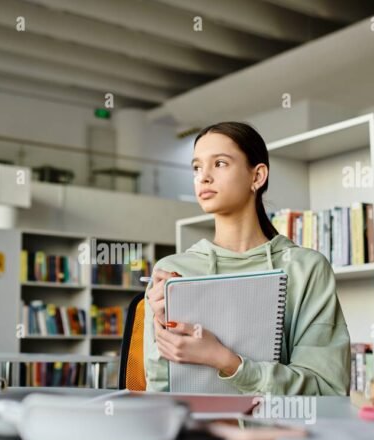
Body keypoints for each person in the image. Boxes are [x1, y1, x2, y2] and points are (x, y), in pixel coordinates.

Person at [143, 122, 351, 395]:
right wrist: (162, 326)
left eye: (219, 163)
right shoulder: (171, 271)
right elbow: (159, 390)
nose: (203, 177)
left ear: (257, 176)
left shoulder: (306, 268)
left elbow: (327, 390)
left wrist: (226, 361)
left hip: (281, 434)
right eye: (196, 167)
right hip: (195, 434)